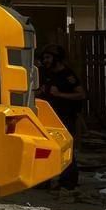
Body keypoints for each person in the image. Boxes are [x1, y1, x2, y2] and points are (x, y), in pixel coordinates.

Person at [37, 44, 85, 189]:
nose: (45, 60)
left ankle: (68, 182)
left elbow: (81, 94)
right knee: (44, 148)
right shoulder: (45, 73)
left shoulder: (67, 75)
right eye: (44, 58)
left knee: (65, 148)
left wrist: (60, 95)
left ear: (56, 58)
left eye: (48, 57)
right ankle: (43, 181)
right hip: (47, 116)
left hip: (65, 117)